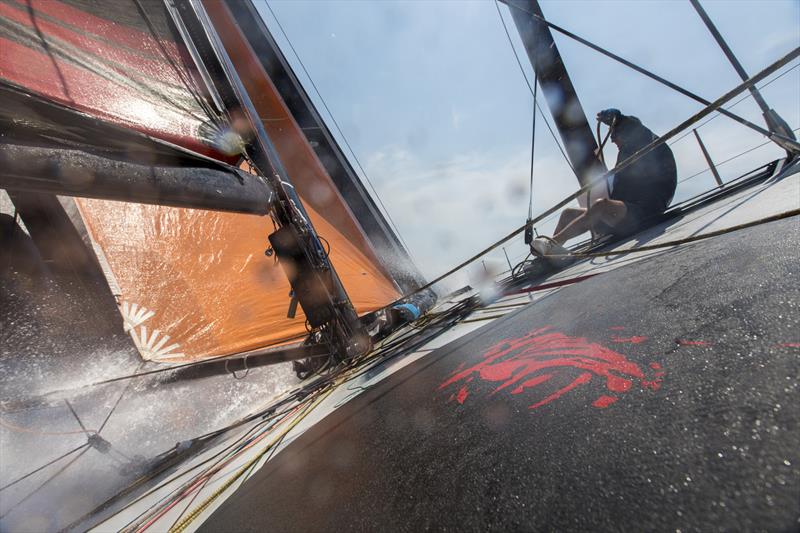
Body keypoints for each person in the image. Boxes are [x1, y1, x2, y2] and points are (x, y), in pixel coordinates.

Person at [531, 108, 677, 259]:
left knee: (602, 205)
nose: (612, 139)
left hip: (646, 210)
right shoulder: (626, 153)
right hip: (624, 215)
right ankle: (551, 255)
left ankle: (552, 244)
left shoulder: (648, 143)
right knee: (568, 213)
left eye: (614, 133)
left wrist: (619, 119)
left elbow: (639, 132)